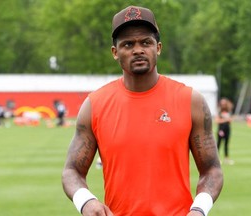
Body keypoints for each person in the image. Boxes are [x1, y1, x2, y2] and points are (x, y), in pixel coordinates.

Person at [62, 5, 223, 216]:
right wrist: (86, 202)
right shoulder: (95, 105)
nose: (138, 50)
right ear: (115, 52)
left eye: (146, 42)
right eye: (128, 44)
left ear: (158, 48)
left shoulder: (190, 100)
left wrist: (199, 210)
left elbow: (212, 169)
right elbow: (71, 170)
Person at [215, 97, 234, 165]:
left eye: (224, 103)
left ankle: (226, 158)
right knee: (219, 144)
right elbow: (217, 121)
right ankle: (217, 159)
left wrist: (227, 119)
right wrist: (225, 120)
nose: (223, 105)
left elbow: (231, 120)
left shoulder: (228, 111)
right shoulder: (219, 111)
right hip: (221, 130)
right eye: (222, 103)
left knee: (226, 144)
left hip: (227, 129)